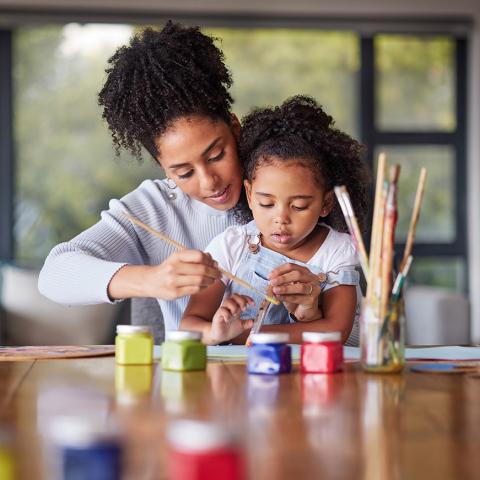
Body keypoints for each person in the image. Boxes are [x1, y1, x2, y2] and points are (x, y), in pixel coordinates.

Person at [38, 22, 246, 335]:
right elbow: (54, 274)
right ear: (162, 166)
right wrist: (151, 280)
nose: (209, 182)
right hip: (189, 378)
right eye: (184, 172)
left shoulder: (283, 185)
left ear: (235, 126)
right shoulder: (154, 208)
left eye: (216, 156)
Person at [181, 95, 370, 345]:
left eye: (299, 206)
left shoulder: (336, 250)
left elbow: (335, 331)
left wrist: (247, 335)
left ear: (326, 204)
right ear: (249, 195)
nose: (281, 218)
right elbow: (189, 325)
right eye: (267, 204)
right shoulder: (232, 246)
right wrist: (216, 333)